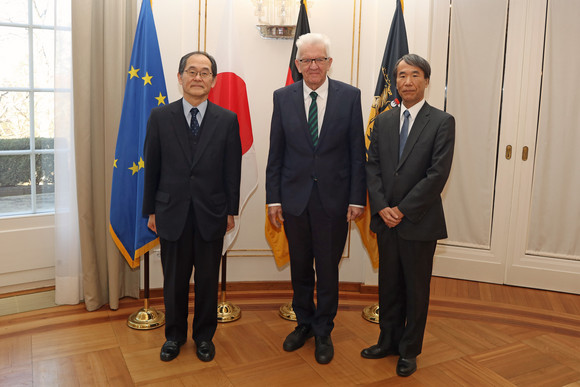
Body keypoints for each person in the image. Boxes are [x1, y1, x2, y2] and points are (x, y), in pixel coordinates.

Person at [265, 33, 366, 364]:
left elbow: (356, 153)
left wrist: (356, 198)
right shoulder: (282, 97)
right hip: (294, 200)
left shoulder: (350, 97)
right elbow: (276, 153)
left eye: (319, 59)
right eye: (306, 60)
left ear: (329, 63)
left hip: (334, 201)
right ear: (297, 64)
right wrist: (273, 198)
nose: (312, 65)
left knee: (327, 268)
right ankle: (304, 324)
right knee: (300, 269)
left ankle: (324, 330)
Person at [142, 51, 242, 363]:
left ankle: (203, 337)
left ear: (213, 80)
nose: (197, 77)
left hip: (211, 213)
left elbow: (231, 170)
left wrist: (230, 211)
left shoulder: (227, 120)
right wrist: (151, 211)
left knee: (208, 280)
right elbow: (152, 168)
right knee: (174, 281)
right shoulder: (160, 117)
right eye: (191, 71)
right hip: (171, 213)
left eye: (205, 72)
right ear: (180, 77)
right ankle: (174, 336)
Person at [361, 53, 455, 377]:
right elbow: (372, 166)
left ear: (426, 81)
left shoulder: (442, 122)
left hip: (419, 221)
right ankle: (387, 341)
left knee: (415, 289)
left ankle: (409, 350)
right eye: (401, 76)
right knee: (388, 286)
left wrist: (402, 209)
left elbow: (437, 175)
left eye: (415, 75)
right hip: (385, 220)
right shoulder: (384, 120)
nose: (407, 82)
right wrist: (382, 206)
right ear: (395, 81)